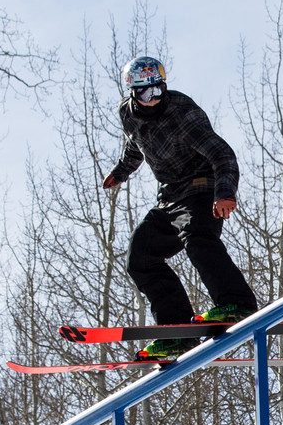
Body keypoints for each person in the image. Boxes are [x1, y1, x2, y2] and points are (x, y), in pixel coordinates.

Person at [101, 56, 259, 361]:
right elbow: (136, 146)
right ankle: (176, 331)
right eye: (147, 94)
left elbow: (222, 154)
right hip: (170, 196)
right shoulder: (128, 115)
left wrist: (225, 193)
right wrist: (121, 171)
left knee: (197, 236)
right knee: (140, 256)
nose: (155, 98)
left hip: (202, 185)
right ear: (133, 93)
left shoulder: (183, 113)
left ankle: (236, 302)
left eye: (159, 90)